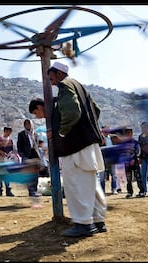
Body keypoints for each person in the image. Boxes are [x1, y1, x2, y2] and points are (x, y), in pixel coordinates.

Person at [44, 61, 107, 237]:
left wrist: (61, 133)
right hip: (88, 144)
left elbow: (72, 112)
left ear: (58, 74)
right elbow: (96, 109)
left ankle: (83, 224)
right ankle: (98, 221)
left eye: (52, 78)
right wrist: (87, 127)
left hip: (76, 146)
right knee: (90, 184)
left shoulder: (65, 85)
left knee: (76, 185)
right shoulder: (80, 87)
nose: (52, 83)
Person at [117, 127, 145, 198]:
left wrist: (134, 159)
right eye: (127, 133)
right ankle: (129, 192)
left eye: (129, 133)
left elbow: (138, 152)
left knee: (138, 177)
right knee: (128, 179)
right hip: (127, 164)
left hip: (135, 163)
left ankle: (142, 191)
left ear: (132, 134)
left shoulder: (135, 142)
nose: (128, 134)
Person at [17, 119, 41, 197]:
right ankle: (31, 191)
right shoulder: (21, 134)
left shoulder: (35, 134)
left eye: (29, 124)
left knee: (36, 174)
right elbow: (19, 146)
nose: (28, 125)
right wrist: (22, 155)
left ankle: (35, 190)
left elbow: (36, 145)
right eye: (26, 124)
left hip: (35, 155)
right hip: (26, 155)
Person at [0, 126, 15, 197]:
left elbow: (12, 149)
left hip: (7, 159)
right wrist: (0, 152)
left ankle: (8, 190)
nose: (8, 133)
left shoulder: (10, 140)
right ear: (4, 131)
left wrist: (9, 154)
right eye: (7, 131)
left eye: (10, 131)